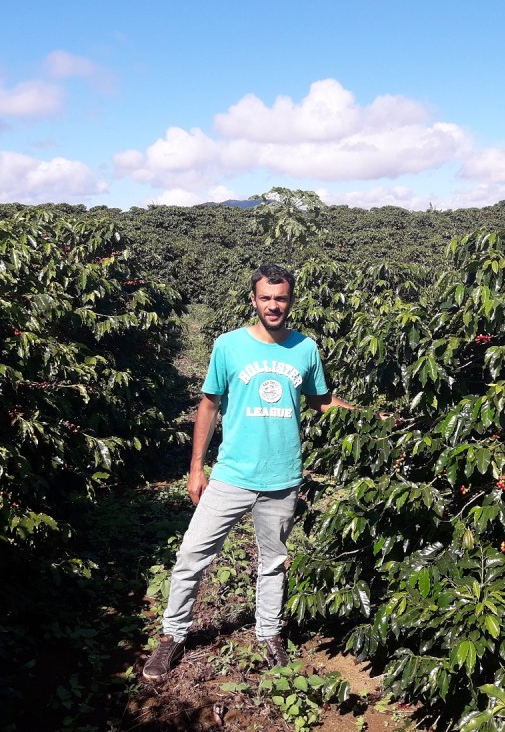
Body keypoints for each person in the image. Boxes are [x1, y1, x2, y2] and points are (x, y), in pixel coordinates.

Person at [142, 263, 354, 681]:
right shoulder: (229, 346)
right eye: (266, 298)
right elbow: (209, 404)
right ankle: (171, 636)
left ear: (291, 301)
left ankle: (269, 633)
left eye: (281, 298)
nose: (273, 305)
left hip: (283, 476)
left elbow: (321, 402)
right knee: (190, 556)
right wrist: (196, 467)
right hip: (232, 474)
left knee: (274, 561)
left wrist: (370, 418)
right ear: (254, 300)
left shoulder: (305, 349)